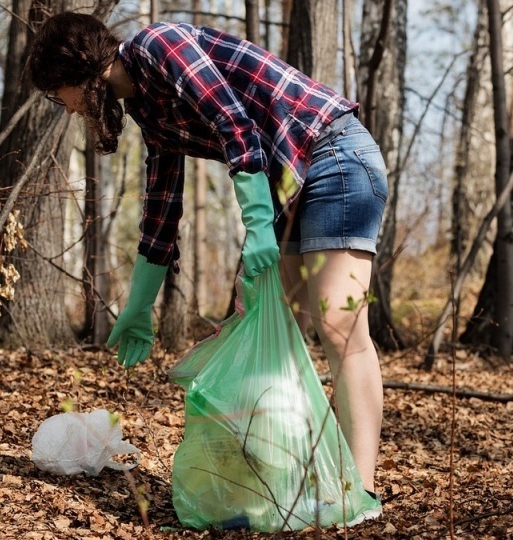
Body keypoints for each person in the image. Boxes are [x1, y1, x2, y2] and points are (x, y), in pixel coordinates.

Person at [25, 12, 388, 501]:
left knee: (341, 330)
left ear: (74, 71)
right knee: (278, 333)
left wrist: (259, 226)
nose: (66, 109)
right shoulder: (146, 107)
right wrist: (138, 306)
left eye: (57, 93)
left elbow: (234, 124)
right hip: (289, 183)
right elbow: (162, 208)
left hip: (333, 156)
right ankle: (286, 482)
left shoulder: (161, 43)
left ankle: (360, 491)